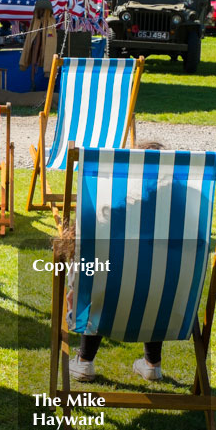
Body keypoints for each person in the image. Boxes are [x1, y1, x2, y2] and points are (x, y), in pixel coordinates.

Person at [68, 140, 167, 383]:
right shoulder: (181, 222)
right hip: (166, 312)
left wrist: (72, 288)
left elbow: (81, 275)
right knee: (154, 285)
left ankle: (84, 361)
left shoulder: (109, 218)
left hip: (109, 307)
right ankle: (152, 364)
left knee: (97, 284)